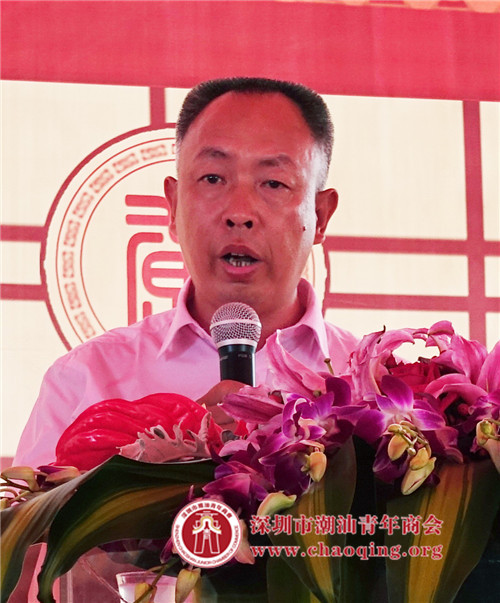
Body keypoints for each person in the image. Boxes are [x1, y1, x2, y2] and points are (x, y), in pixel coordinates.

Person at [14, 77, 358, 468]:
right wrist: (154, 460)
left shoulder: (373, 388)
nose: (239, 213)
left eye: (274, 183)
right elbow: (34, 507)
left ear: (320, 216)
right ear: (174, 206)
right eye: (213, 178)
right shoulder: (85, 379)